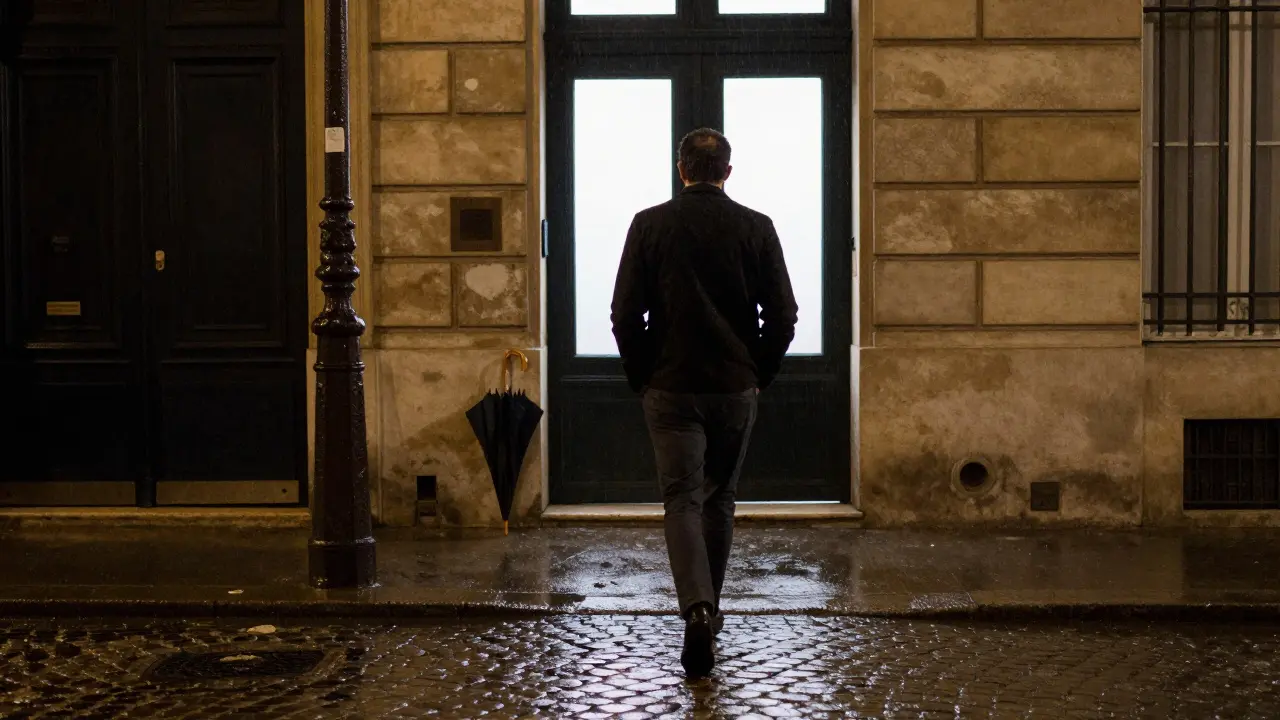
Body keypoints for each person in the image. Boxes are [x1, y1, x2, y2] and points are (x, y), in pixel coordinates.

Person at [610, 128, 799, 678]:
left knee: (681, 502)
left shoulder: (649, 224)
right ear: (728, 173)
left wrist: (642, 375)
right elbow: (783, 315)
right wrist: (759, 372)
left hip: (671, 386)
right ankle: (710, 612)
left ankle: (696, 609)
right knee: (720, 501)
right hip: (733, 387)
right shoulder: (756, 227)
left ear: (681, 169)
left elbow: (625, 313)